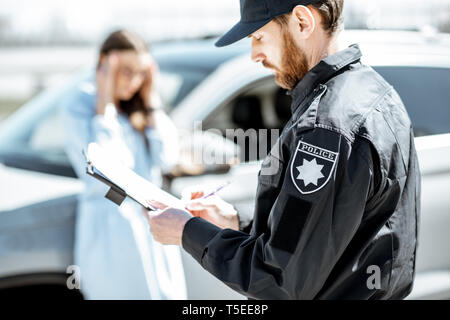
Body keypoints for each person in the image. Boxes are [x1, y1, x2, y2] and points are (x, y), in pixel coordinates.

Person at [144, 0, 421, 300]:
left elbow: (279, 280)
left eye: (259, 37)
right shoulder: (378, 93)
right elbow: (325, 235)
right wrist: (236, 222)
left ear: (302, 21)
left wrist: (188, 232)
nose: (254, 55)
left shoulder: (327, 127)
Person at [62, 29, 186, 299]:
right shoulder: (79, 105)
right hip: (110, 228)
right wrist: (104, 101)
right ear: (104, 65)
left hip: (152, 226)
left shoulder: (139, 106)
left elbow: (167, 157)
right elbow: (104, 167)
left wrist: (151, 99)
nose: (133, 81)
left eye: (141, 72)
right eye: (125, 70)